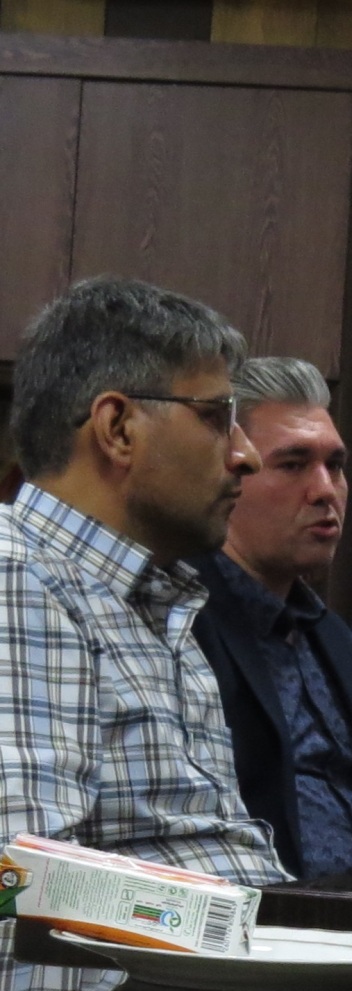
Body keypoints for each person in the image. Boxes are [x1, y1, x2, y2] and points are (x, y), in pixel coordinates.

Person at [0, 278, 286, 883]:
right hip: (173, 950)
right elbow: (19, 883)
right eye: (217, 418)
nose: (247, 456)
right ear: (118, 428)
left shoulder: (156, 596)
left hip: (243, 936)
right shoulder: (16, 575)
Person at [188, 357, 352, 878]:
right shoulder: (181, 621)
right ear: (229, 471)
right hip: (265, 913)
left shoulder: (329, 635)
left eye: (335, 465)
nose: (325, 490)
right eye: (292, 464)